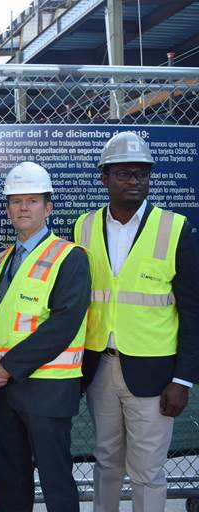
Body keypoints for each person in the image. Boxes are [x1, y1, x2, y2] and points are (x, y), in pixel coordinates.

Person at [74, 131, 199, 512]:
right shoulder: (83, 227)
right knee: (106, 462)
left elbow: (193, 310)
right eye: (124, 173)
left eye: (142, 174)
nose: (134, 181)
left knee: (147, 471)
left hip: (156, 374)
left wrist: (183, 379)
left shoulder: (175, 229)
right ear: (104, 178)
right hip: (100, 368)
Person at [0, 162, 90, 512]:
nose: (23, 208)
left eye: (32, 200)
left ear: (49, 207)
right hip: (1, 391)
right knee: (10, 482)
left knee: (56, 482)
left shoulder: (69, 257)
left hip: (46, 390)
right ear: (8, 209)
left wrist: (7, 366)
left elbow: (63, 324)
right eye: (15, 201)